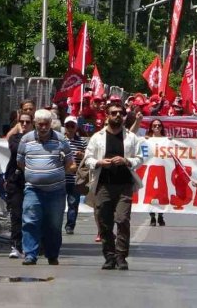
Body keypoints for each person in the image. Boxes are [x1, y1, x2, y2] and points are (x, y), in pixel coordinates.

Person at [83, 102, 145, 271]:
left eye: (121, 113)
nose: (118, 115)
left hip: (124, 185)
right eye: (114, 113)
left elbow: (140, 158)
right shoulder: (97, 137)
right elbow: (87, 159)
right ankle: (109, 256)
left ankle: (121, 256)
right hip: (103, 185)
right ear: (107, 115)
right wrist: (99, 162)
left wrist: (126, 161)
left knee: (123, 219)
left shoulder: (131, 138)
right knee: (104, 222)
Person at [17, 109, 76, 266]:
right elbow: (21, 162)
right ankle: (30, 254)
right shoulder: (26, 140)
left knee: (54, 225)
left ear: (51, 124)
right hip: (33, 190)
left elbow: (71, 163)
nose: (43, 128)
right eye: (40, 124)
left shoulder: (61, 140)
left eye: (46, 124)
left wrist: (67, 167)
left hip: (56, 191)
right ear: (35, 124)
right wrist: (35, 174)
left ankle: (52, 254)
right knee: (30, 221)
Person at [4, 112, 33, 258]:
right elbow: (16, 149)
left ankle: (33, 245)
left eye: (27, 122)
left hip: (33, 179)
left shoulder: (38, 139)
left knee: (32, 214)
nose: (24, 124)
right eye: (21, 122)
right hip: (16, 180)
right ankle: (16, 245)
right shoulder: (15, 138)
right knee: (16, 213)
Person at [63, 116, 88, 235]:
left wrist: (82, 155)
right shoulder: (60, 140)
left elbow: (89, 157)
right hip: (61, 178)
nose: (70, 128)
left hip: (74, 178)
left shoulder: (82, 142)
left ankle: (70, 226)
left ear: (76, 127)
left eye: (72, 126)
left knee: (73, 203)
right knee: (58, 203)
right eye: (68, 125)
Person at [145, 118, 167, 227]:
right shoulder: (147, 140)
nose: (157, 127)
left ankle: (161, 215)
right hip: (151, 169)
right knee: (150, 194)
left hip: (163, 168)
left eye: (159, 125)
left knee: (161, 193)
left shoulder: (166, 140)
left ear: (162, 127)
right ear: (151, 128)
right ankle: (152, 216)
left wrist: (171, 141)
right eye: (154, 125)